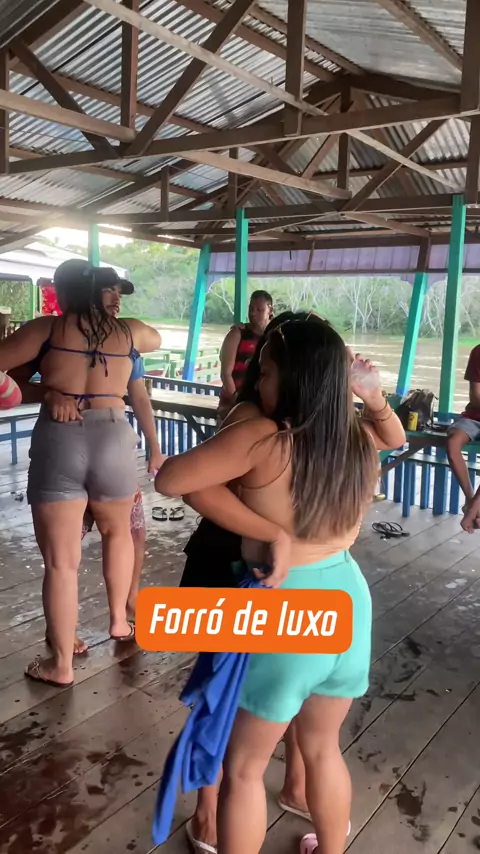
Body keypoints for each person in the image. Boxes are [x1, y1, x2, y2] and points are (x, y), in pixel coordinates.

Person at [156, 316, 405, 854]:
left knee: (244, 769)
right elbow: (395, 435)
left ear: (293, 378)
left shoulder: (264, 438)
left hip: (285, 606)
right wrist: (372, 395)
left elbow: (172, 479)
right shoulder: (356, 439)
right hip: (348, 597)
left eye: (265, 372)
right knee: (322, 749)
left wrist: (271, 533)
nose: (259, 381)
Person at [0, 259, 161, 688]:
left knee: (61, 563)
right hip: (114, 435)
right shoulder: (129, 331)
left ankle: (60, 665)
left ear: (62, 293)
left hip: (62, 435)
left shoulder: (46, 329)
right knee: (118, 534)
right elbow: (156, 338)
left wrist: (48, 391)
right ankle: (119, 621)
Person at [218, 290, 273, 420]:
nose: (253, 313)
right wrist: (237, 402)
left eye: (259, 310)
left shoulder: (273, 336)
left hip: (260, 407)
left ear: (270, 310)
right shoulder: (237, 334)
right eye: (251, 309)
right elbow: (226, 374)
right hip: (233, 404)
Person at [447, 343, 480, 508]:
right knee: (453, 443)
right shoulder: (478, 352)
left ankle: (474, 506)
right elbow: (476, 396)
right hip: (475, 416)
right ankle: (470, 497)